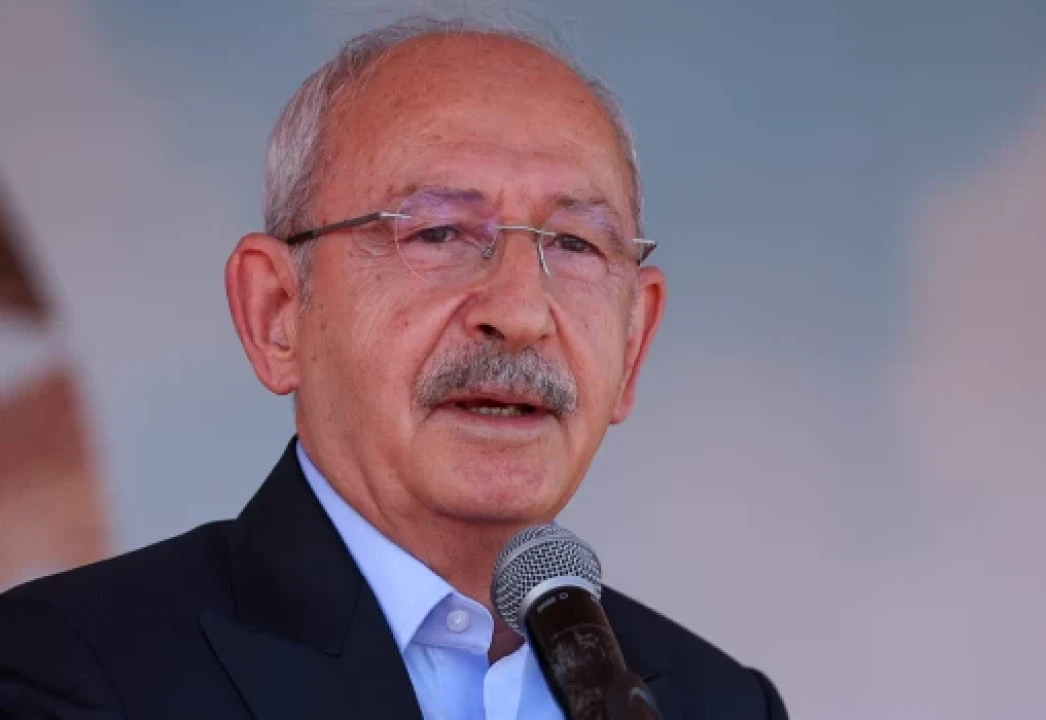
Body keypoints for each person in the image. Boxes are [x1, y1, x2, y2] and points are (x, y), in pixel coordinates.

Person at [0, 16, 788, 720]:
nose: (520, 310)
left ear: (634, 342)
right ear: (277, 314)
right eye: (439, 232)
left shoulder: (719, 703)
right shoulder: (69, 671)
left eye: (575, 245)